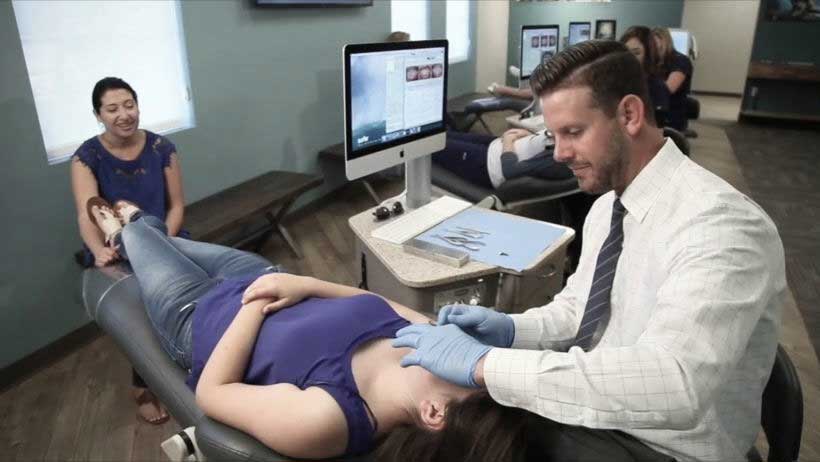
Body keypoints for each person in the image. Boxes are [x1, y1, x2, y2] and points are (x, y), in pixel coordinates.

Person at [393, 40, 786, 462]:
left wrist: (485, 364)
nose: (559, 153)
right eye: (553, 134)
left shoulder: (722, 227)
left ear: (630, 115)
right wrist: (510, 330)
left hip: (666, 447)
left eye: (573, 132)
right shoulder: (608, 207)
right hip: (612, 418)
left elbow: (675, 383)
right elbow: (580, 311)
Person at [84, 198, 546, 461]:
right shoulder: (426, 340)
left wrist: (256, 308)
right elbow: (374, 301)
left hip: (196, 312)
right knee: (167, 241)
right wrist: (301, 282)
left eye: (473, 373)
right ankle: (150, 231)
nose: (472, 356)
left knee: (141, 234)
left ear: (433, 414)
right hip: (258, 272)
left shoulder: (327, 420)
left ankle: (123, 227)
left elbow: (213, 391)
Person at [70, 77, 186, 425]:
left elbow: (177, 206)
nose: (124, 114)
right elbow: (85, 212)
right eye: (112, 108)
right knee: (142, 312)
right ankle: (143, 385)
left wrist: (161, 241)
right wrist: (97, 249)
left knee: (180, 301)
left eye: (129, 105)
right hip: (114, 250)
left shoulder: (162, 148)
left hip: (161, 238)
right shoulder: (86, 157)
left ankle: (183, 366)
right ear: (98, 114)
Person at [432, 130, 573, 190]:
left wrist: (508, 140)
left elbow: (510, 171)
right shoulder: (569, 137)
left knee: (430, 142)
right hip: (495, 146)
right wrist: (530, 136)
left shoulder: (559, 160)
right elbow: (544, 144)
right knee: (442, 133)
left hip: (486, 165)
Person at [619, 26, 670, 127]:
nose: (629, 58)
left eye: (636, 53)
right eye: (626, 52)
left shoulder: (657, 87)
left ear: (648, 55)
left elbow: (655, 129)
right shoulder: (617, 82)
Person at [652, 27, 694, 133]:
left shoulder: (680, 61)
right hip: (654, 112)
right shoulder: (653, 62)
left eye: (655, 44)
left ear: (664, 41)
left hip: (671, 115)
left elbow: (668, 89)